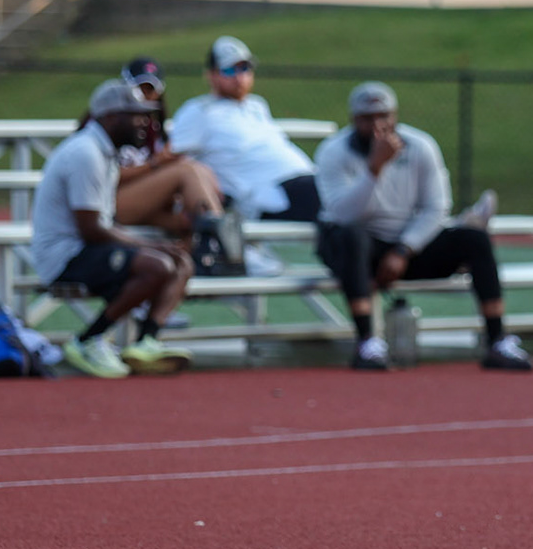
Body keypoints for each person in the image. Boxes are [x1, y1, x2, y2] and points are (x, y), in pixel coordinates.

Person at [312, 80, 529, 372]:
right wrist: (374, 170)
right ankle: (366, 341)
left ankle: (497, 340)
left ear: (395, 116)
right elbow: (343, 213)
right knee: (351, 237)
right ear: (353, 120)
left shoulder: (420, 146)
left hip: (406, 247)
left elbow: (437, 208)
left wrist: (404, 249)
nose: (378, 126)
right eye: (367, 119)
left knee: (474, 239)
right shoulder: (333, 152)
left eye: (384, 116)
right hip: (354, 247)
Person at [29, 79, 195, 379]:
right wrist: (151, 246)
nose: (146, 123)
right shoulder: (86, 154)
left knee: (181, 261)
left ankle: (146, 342)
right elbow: (91, 229)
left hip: (86, 249)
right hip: (64, 258)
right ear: (110, 117)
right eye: (137, 115)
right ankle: (87, 341)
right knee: (158, 264)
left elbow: (103, 225)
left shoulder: (105, 154)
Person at [166, 36, 320, 224]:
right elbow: (173, 159)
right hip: (270, 197)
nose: (239, 77)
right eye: (229, 70)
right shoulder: (197, 111)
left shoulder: (257, 106)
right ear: (211, 75)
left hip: (306, 180)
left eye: (245, 69)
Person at [109, 57, 229, 249]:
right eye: (139, 88)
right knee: (186, 171)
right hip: (106, 204)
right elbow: (105, 176)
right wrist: (156, 164)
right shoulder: (113, 122)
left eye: (151, 89)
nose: (145, 95)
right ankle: (225, 248)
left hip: (142, 204)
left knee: (190, 218)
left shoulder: (152, 127)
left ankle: (216, 251)